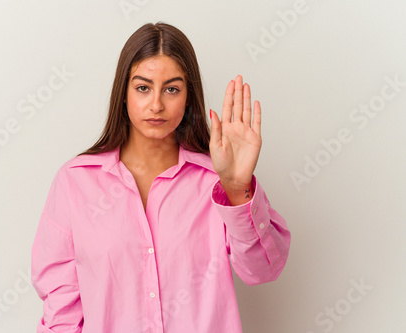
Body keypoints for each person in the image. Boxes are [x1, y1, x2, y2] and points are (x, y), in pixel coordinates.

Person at [31, 21, 291, 333]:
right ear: (123, 94)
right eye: (143, 87)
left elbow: (263, 270)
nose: (156, 104)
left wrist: (236, 188)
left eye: (172, 89)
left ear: (188, 97)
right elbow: (62, 309)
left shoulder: (215, 182)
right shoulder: (75, 183)